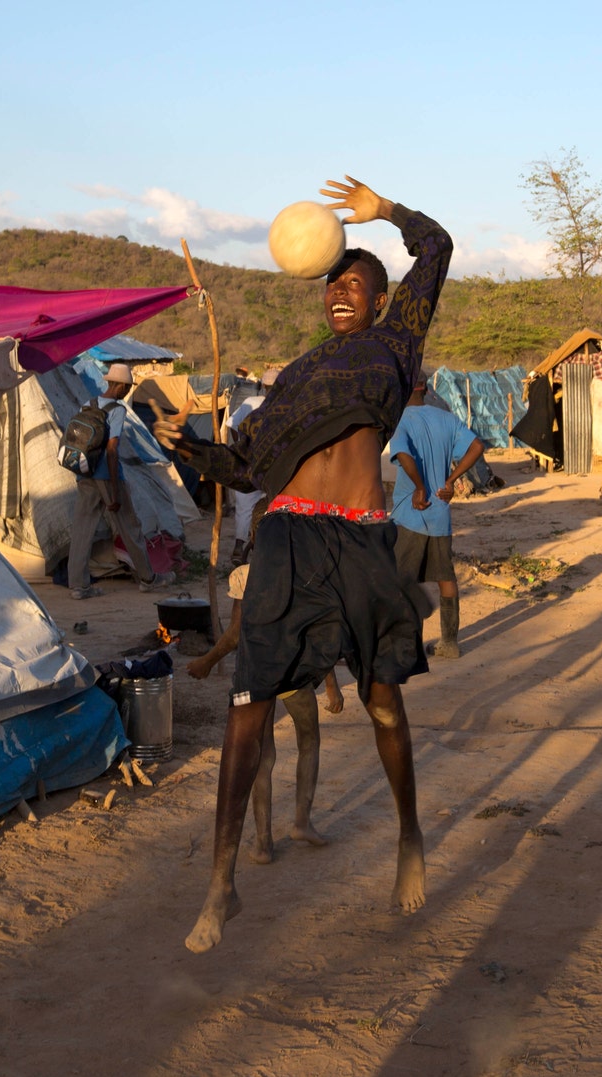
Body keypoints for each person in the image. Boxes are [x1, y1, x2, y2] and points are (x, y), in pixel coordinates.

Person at [154, 175, 449, 953]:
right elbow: (248, 467)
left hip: (360, 538)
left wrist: (387, 213)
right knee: (246, 709)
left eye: (357, 283)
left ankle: (409, 834)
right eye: (333, 284)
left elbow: (437, 247)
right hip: (286, 537)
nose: (342, 293)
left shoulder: (395, 345)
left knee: (385, 704)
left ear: (381, 300)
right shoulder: (294, 378)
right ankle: (221, 880)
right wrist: (194, 452)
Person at [187, 557, 345, 864]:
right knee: (309, 741)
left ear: (252, 537)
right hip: (292, 672)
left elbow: (235, 632)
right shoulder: (304, 569)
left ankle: (263, 843)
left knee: (262, 758)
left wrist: (208, 660)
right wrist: (330, 684)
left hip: (256, 673)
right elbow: (317, 634)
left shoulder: (244, 574)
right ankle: (302, 822)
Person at [389, 376, 485, 658]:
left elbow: (403, 454)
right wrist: (451, 479)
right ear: (427, 390)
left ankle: (409, 646)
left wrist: (419, 486)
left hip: (411, 512)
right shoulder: (446, 418)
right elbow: (477, 446)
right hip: (440, 512)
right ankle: (449, 643)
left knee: (405, 579)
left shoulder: (402, 421)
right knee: (445, 576)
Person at [67, 363, 175, 599]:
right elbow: (112, 449)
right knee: (130, 526)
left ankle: (78, 586)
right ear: (121, 386)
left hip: (84, 473)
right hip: (107, 475)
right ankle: (148, 578)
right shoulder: (116, 409)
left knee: (83, 528)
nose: (126, 392)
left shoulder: (88, 404)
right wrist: (115, 490)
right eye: (126, 388)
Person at [226, 368, 281, 566]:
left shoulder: (251, 403)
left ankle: (241, 548)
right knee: (274, 505)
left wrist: (242, 447)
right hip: (272, 465)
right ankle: (258, 548)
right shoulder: (283, 407)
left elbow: (231, 425)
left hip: (250, 463)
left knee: (245, 508)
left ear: (262, 386)